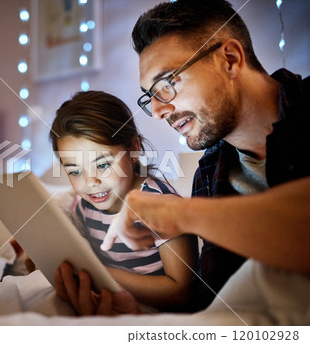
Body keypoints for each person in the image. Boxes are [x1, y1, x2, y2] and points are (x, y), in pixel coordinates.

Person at [55, 0, 310, 316]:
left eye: (166, 84)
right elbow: (215, 305)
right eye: (150, 96)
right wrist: (134, 317)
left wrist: (178, 213)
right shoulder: (210, 173)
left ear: (229, 59)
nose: (159, 111)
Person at [50, 90, 198, 312]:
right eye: (75, 171)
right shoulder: (86, 205)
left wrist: (100, 273)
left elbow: (183, 292)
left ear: (134, 149)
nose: (91, 182)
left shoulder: (160, 204)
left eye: (102, 165)